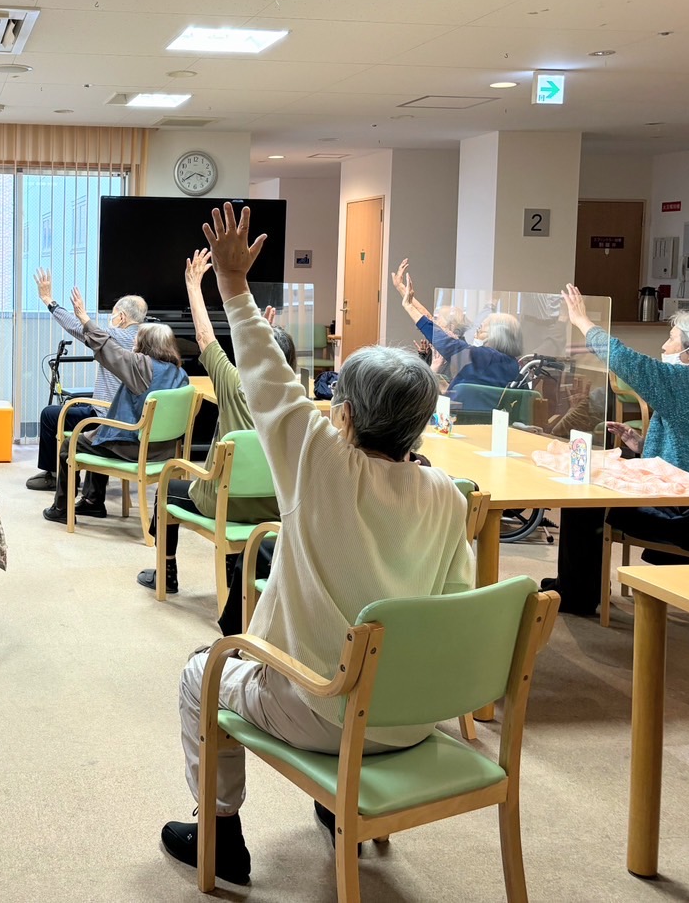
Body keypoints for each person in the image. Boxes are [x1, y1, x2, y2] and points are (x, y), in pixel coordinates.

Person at [160, 205, 474, 887]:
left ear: (345, 414)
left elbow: (265, 375)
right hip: (412, 716)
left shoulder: (319, 461)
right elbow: (455, 609)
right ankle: (339, 809)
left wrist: (232, 285)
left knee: (198, 672)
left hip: (323, 709)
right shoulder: (449, 496)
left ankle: (219, 832)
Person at [540, 286, 689, 615]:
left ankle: (578, 593)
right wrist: (642, 445)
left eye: (672, 339)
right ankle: (576, 584)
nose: (664, 346)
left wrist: (582, 321)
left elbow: (625, 360)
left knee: (583, 499)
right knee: (593, 487)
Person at [137, 248, 291, 595]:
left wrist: (194, 286)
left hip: (225, 503)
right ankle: (236, 574)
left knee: (168, 485)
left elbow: (205, 337)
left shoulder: (235, 385)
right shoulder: (296, 404)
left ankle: (166, 573)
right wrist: (261, 334)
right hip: (274, 507)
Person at [42, 286, 190, 524]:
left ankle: (61, 508)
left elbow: (107, 346)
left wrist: (83, 317)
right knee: (96, 433)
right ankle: (92, 500)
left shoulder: (140, 366)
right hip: (165, 449)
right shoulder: (180, 375)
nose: (134, 342)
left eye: (138, 340)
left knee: (72, 444)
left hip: (133, 445)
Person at [27, 268, 146, 491]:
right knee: (76, 408)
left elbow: (76, 327)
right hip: (134, 419)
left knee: (50, 415)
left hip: (106, 416)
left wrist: (49, 301)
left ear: (122, 317)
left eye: (113, 314)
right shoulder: (148, 340)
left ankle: (52, 474)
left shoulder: (113, 337)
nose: (111, 319)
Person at [392, 258, 521, 413]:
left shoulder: (483, 357)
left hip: (460, 418)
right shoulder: (512, 364)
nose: (477, 332)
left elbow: (440, 336)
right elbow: (433, 323)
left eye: (481, 329)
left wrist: (407, 305)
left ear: (496, 336)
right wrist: (402, 291)